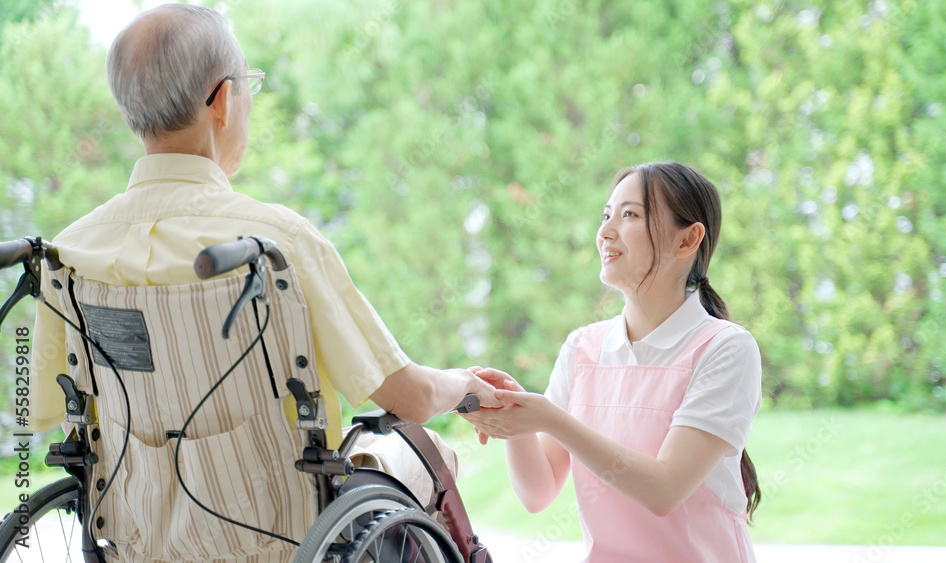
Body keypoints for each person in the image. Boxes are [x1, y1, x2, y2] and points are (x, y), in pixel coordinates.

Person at [28, 3, 496, 560]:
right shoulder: (275, 243)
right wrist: (464, 384)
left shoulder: (70, 252)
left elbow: (39, 411)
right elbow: (410, 397)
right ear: (223, 100)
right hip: (281, 535)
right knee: (424, 449)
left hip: (137, 536)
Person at [462, 161, 762, 562]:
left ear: (688, 240)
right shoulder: (583, 348)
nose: (605, 232)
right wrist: (515, 415)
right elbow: (537, 493)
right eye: (606, 215)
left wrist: (549, 418)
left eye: (630, 215)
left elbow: (664, 489)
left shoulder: (726, 349)